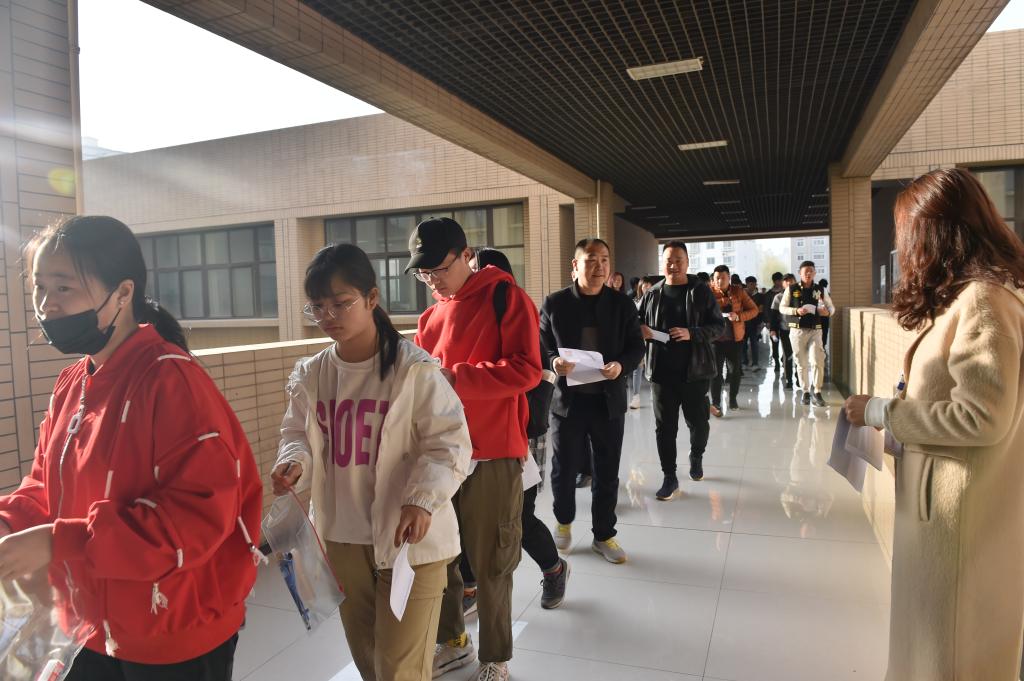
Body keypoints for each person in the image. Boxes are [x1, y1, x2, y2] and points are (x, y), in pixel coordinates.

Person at [0, 216, 262, 681]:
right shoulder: (72, 383)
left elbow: (197, 518)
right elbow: (45, 485)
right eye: (39, 287)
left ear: (123, 293)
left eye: (64, 287)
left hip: (171, 632)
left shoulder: (171, 380)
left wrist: (60, 540)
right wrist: (8, 522)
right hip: (86, 625)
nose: (46, 304)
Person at [843, 168, 1024, 681]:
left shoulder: (984, 301)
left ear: (938, 233)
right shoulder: (973, 297)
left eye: (908, 233)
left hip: (958, 521)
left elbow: (981, 416)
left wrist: (881, 412)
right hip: (943, 511)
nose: (904, 248)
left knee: (947, 654)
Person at [271, 244, 472, 681]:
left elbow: (449, 443)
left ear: (372, 298)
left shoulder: (413, 369)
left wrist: (421, 499)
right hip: (341, 538)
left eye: (341, 303)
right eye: (317, 307)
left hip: (409, 539)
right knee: (370, 663)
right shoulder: (312, 374)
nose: (328, 316)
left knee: (399, 670)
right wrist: (294, 462)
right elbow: (296, 433)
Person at [408, 217, 541, 681]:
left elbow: (527, 370)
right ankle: (453, 641)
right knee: (440, 556)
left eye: (439, 269)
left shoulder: (505, 297)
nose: (432, 280)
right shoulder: (428, 319)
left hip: (493, 452)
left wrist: (456, 377)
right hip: (442, 456)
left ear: (466, 255)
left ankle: (495, 656)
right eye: (423, 273)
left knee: (492, 562)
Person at [459, 247, 569, 613]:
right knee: (464, 515)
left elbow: (534, 378)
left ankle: (554, 569)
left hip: (521, 435)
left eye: (475, 272)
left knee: (518, 516)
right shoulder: (466, 319)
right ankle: (470, 587)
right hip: (473, 440)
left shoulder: (515, 314)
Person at [540, 238, 645, 564]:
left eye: (604, 260)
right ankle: (563, 521)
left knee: (607, 470)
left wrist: (621, 366)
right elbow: (541, 345)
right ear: (575, 265)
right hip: (567, 402)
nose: (599, 266)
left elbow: (636, 347)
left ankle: (604, 534)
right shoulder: (555, 303)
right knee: (564, 468)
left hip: (607, 402)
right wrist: (554, 361)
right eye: (591, 259)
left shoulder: (622, 305)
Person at [639, 242, 725, 498]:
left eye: (678, 260)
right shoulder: (652, 293)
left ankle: (696, 455)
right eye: (669, 260)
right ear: (662, 262)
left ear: (687, 262)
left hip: (695, 373)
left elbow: (718, 327)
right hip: (661, 373)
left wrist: (692, 333)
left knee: (698, 423)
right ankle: (669, 476)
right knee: (664, 428)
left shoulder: (700, 291)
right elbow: (636, 322)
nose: (673, 265)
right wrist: (641, 330)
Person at [779, 261, 834, 408]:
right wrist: (796, 311)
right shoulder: (791, 289)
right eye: (805, 272)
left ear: (815, 273)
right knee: (801, 362)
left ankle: (817, 391)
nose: (808, 274)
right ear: (800, 273)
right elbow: (782, 308)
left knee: (817, 360)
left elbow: (831, 308)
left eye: (811, 271)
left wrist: (827, 313)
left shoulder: (820, 289)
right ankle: (805, 392)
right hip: (797, 330)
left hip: (816, 329)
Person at [709, 266, 758, 416]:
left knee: (735, 371)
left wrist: (738, 316)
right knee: (715, 373)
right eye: (717, 278)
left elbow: (754, 310)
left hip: (735, 339)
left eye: (723, 278)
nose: (719, 281)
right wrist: (721, 303)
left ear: (729, 278)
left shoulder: (738, 291)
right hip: (715, 340)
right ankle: (716, 402)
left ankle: (732, 399)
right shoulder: (708, 292)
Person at [628, 276, 659, 409]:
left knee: (653, 366)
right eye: (644, 285)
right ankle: (636, 397)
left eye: (649, 285)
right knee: (637, 368)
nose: (646, 288)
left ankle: (654, 393)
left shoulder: (657, 301)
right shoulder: (634, 301)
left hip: (653, 337)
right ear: (640, 287)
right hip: (639, 338)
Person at [770, 274, 797, 390]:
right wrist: (773, 330)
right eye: (786, 281)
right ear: (783, 284)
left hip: (800, 330)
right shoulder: (778, 297)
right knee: (787, 354)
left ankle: (799, 376)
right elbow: (773, 316)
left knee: (799, 355)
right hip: (785, 330)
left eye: (791, 281)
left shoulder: (800, 296)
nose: (789, 283)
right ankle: (789, 379)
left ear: (795, 282)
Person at [741, 276, 765, 370]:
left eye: (754, 284)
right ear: (747, 284)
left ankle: (755, 363)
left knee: (754, 343)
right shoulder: (742, 295)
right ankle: (744, 362)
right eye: (751, 284)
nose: (753, 286)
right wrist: (754, 310)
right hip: (743, 324)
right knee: (743, 344)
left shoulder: (760, 296)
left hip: (755, 324)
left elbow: (761, 310)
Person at [765, 272, 786, 369]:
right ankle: (776, 360)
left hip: (784, 322)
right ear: (774, 281)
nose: (780, 282)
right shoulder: (769, 294)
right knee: (774, 342)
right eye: (778, 280)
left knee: (785, 342)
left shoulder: (786, 292)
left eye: (781, 280)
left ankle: (783, 358)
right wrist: (767, 322)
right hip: (773, 323)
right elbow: (766, 309)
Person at [818, 278, 831, 349]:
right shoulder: (828, 294)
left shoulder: (816, 293)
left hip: (818, 317)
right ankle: (823, 347)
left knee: (818, 332)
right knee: (824, 332)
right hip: (825, 317)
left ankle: (820, 346)